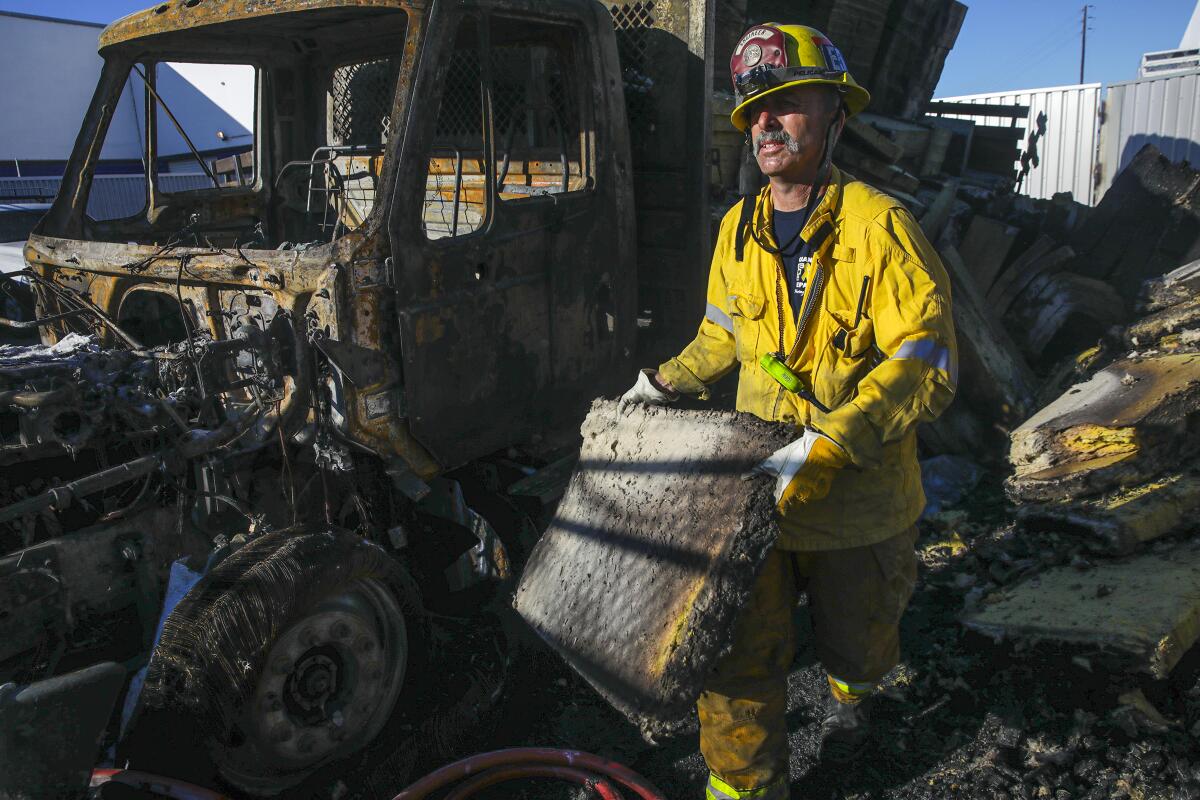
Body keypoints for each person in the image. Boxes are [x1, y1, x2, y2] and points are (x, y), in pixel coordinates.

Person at [620, 23, 958, 800]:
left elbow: (927, 363)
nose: (765, 123)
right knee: (735, 657)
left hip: (858, 507)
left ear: (835, 116)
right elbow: (722, 335)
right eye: (753, 111)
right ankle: (742, 786)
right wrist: (663, 383)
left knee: (860, 644)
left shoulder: (881, 229)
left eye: (785, 104)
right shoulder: (737, 229)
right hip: (757, 498)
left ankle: (855, 706)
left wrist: (833, 444)